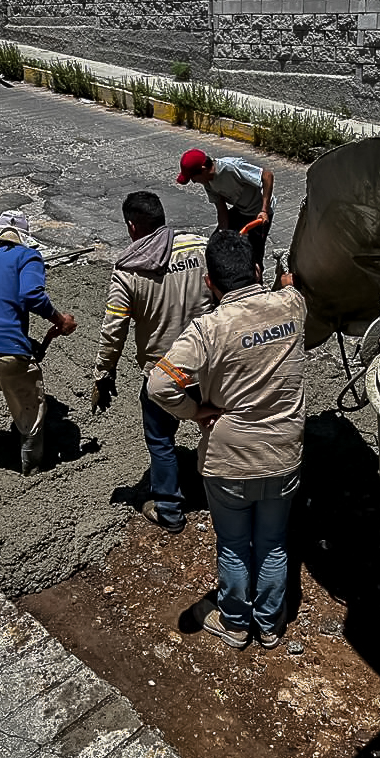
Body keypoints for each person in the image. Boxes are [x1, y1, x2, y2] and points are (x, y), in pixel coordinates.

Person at [148, 229, 306, 649]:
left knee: (235, 546)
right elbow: (290, 286)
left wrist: (196, 412)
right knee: (273, 545)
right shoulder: (293, 307)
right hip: (284, 457)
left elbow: (160, 385)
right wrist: (285, 274)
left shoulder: (208, 330)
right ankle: (270, 627)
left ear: (208, 283)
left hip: (228, 461)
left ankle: (236, 624)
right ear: (256, 270)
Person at [92, 190, 213, 534]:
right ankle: (226, 494)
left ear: (132, 226)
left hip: (164, 375)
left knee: (161, 440)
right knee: (214, 425)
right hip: (207, 366)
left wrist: (103, 373)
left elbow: (113, 330)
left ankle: (170, 510)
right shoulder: (199, 248)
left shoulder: (128, 270)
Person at [0, 210, 77, 475]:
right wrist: (60, 319)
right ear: (23, 237)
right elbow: (32, 294)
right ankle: (31, 465)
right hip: (3, 343)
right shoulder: (28, 256)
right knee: (30, 403)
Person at [176, 148, 275, 270]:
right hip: (241, 209)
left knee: (252, 256)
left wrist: (264, 210)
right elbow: (221, 208)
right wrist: (223, 233)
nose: (194, 182)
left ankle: (257, 283)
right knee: (215, 244)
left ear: (203, 169)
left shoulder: (230, 167)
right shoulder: (207, 182)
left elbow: (267, 176)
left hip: (259, 212)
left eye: (193, 178)